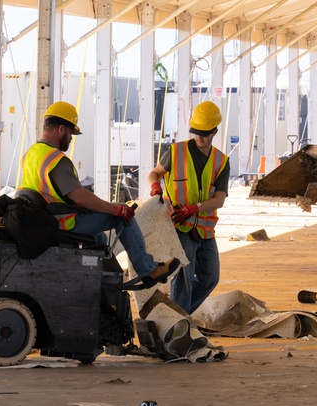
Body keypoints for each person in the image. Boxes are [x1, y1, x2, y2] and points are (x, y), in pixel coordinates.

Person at [17, 101, 178, 286]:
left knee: (100, 238)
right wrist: (115, 209)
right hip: (63, 221)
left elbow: (51, 193)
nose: (70, 138)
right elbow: (78, 197)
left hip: (46, 219)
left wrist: (109, 207)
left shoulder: (30, 154)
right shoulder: (56, 160)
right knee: (122, 216)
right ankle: (148, 270)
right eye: (70, 133)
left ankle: (101, 282)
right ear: (61, 129)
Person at [146, 100, 230, 314]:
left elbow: (219, 200)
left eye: (205, 133)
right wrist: (155, 185)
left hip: (205, 229)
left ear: (215, 131)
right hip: (179, 226)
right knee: (183, 279)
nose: (200, 137)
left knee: (211, 277)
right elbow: (154, 173)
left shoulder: (221, 161)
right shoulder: (175, 152)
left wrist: (194, 208)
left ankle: (176, 315)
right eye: (196, 132)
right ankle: (177, 323)